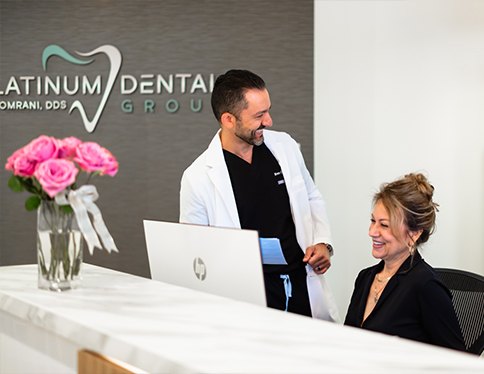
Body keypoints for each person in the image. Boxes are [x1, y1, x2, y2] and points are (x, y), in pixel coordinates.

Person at [179, 69, 339, 321]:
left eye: (268, 110)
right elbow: (196, 252)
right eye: (259, 115)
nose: (269, 121)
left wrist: (323, 242)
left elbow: (311, 197)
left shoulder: (284, 146)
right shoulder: (198, 177)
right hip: (244, 299)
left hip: (300, 286)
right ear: (229, 120)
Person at [344, 173, 465, 350]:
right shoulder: (365, 278)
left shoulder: (426, 286)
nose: (372, 231)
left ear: (414, 234)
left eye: (384, 225)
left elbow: (458, 359)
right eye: (372, 221)